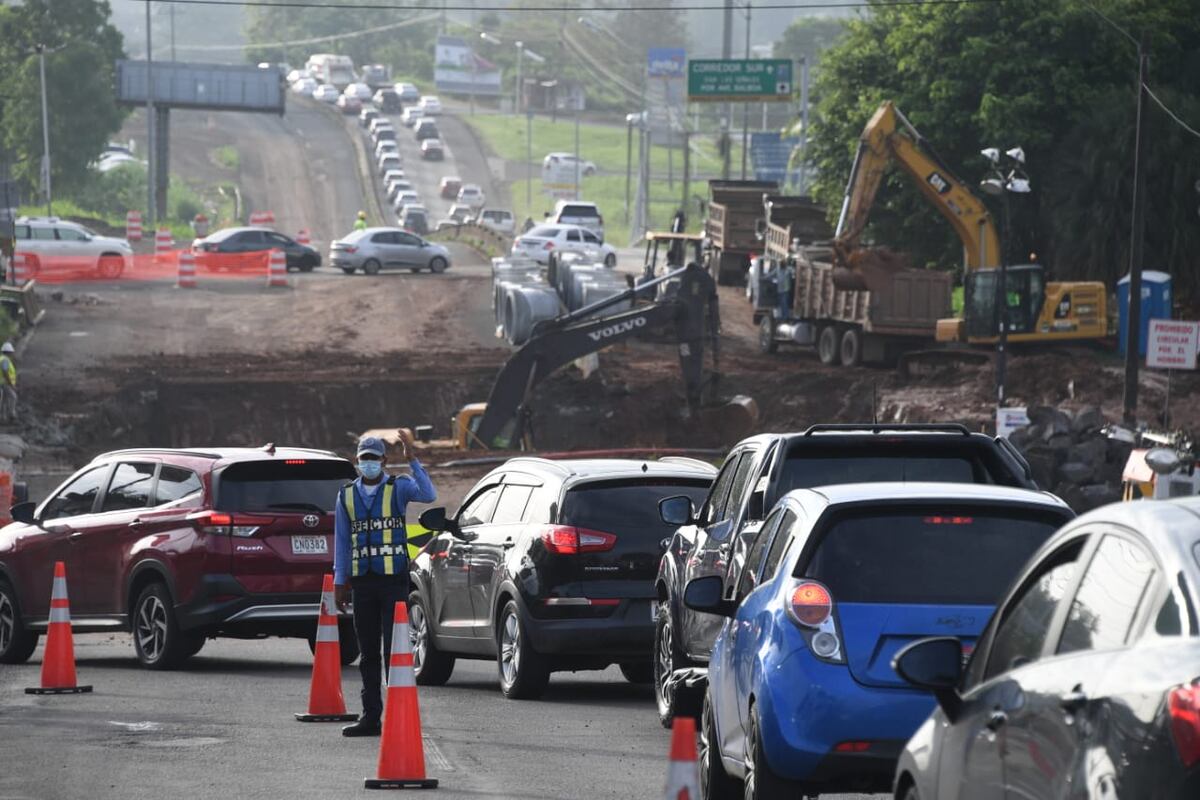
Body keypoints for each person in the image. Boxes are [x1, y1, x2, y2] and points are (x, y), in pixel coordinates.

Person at [333, 430, 436, 737]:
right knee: (368, 654)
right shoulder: (346, 496)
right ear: (357, 461)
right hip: (363, 583)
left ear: (384, 461)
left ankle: (399, 714)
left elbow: (429, 494)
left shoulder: (399, 487)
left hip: (394, 581)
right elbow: (342, 541)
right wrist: (340, 581)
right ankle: (370, 716)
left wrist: (412, 458)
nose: (369, 464)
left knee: (396, 650)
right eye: (364, 459)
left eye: (374, 459)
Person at [0, 342, 17, 423]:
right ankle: (12, 414)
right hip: (5, 383)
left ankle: (3, 417)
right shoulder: (5, 360)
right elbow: (5, 371)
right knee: (13, 397)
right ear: (8, 352)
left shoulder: (1, 358)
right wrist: (10, 383)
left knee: (4, 400)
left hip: (2, 382)